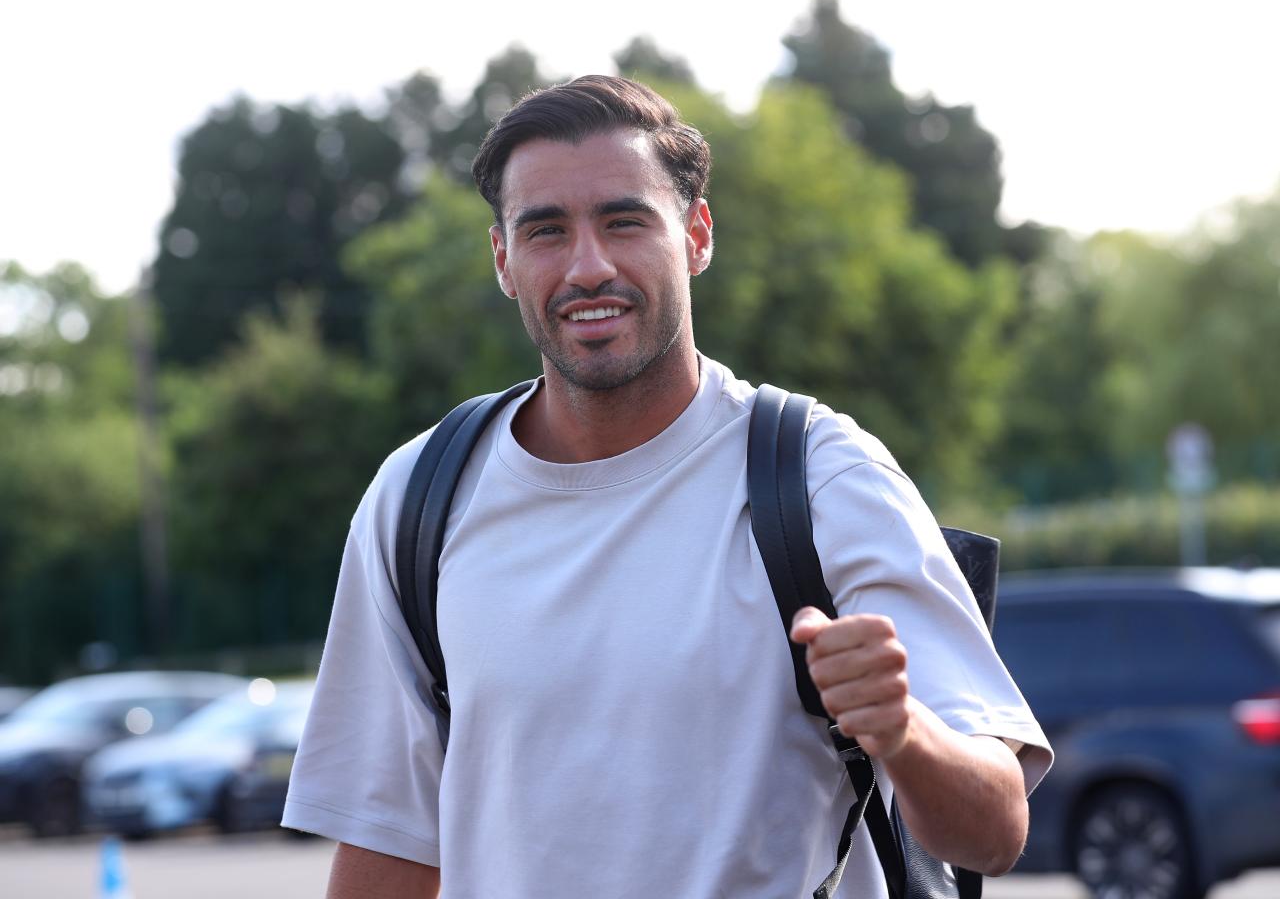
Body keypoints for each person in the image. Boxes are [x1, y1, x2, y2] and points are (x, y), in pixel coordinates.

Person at [282, 75, 1052, 899]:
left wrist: (904, 733)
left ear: (696, 235)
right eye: (546, 231)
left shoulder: (823, 476)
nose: (588, 266)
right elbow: (392, 848)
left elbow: (995, 828)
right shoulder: (418, 498)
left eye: (625, 221)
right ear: (504, 261)